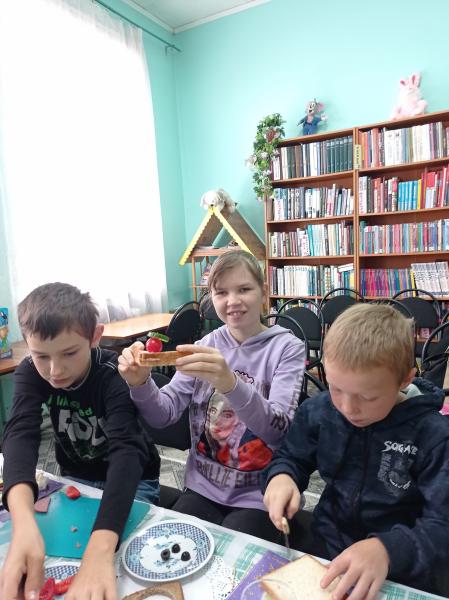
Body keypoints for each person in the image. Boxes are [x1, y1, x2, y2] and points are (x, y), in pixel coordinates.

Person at [263, 303, 449, 599]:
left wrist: (387, 550)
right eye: (336, 389)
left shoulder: (434, 436)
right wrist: (282, 476)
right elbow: (291, 457)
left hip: (402, 565)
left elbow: (441, 525)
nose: (348, 408)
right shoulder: (320, 410)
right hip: (328, 543)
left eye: (367, 397)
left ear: (405, 379)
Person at [118, 250, 305, 542]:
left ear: (263, 291)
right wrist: (140, 383)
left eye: (244, 289)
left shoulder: (287, 348)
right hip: (202, 487)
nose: (233, 301)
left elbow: (278, 431)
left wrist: (230, 384)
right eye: (221, 292)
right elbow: (164, 414)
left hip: (260, 495)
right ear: (211, 298)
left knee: (237, 556)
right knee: (174, 546)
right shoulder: (206, 344)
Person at [0, 283, 160, 600]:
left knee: (129, 563)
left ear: (94, 336)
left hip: (134, 480)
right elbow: (20, 433)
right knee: (61, 556)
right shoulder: (30, 371)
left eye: (69, 353)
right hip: (77, 476)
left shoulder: (112, 374)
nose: (55, 370)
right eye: (41, 355)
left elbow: (127, 452)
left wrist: (100, 548)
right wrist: (23, 522)